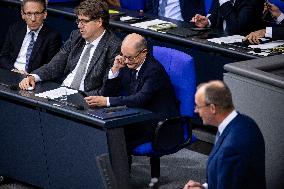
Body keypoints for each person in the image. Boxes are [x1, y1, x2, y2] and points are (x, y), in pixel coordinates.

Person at [84, 33, 179, 149]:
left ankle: (120, 167)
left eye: (130, 57)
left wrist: (107, 101)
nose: (126, 61)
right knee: (100, 130)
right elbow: (107, 93)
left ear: (144, 52)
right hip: (135, 115)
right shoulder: (128, 63)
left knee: (113, 137)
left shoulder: (154, 71)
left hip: (157, 122)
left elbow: (139, 99)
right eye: (123, 55)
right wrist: (115, 70)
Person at [19, 0, 121, 95]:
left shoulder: (113, 46)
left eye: (84, 21)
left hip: (87, 97)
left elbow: (108, 88)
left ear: (99, 22)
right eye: (78, 21)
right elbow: (55, 65)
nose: (79, 26)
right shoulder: (76, 36)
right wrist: (33, 76)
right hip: (62, 90)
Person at [183, 80, 266, 189]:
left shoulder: (231, 148)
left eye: (198, 106)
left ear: (212, 108)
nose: (196, 111)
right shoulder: (247, 122)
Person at [0, 0, 61, 75]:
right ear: (22, 14)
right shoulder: (15, 28)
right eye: (29, 14)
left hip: (34, 79)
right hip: (11, 73)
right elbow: (3, 57)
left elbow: (50, 67)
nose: (33, 19)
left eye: (37, 13)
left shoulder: (53, 36)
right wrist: (13, 70)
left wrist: (31, 77)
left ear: (45, 14)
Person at [191, 0, 265, 35]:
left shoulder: (252, 1)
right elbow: (215, 14)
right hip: (220, 41)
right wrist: (207, 22)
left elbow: (236, 28)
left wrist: (225, 4)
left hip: (242, 48)